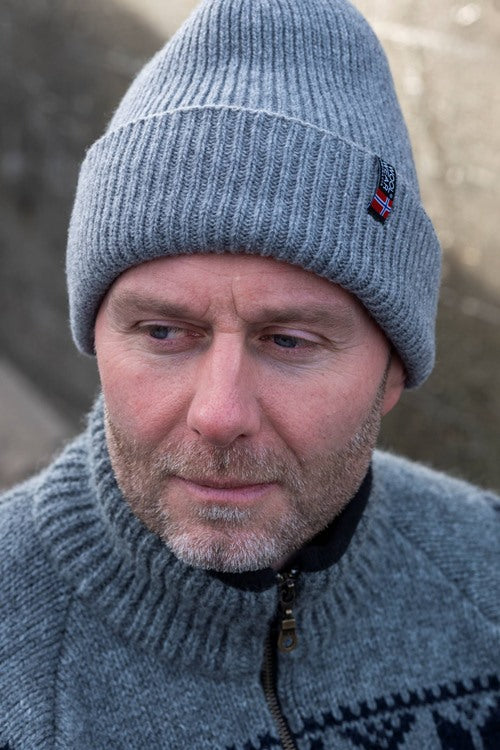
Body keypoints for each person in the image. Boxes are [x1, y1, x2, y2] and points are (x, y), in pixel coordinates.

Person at [1, 0, 498, 747]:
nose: (219, 414)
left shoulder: (487, 573)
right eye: (164, 332)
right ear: (97, 337)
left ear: (394, 371)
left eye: (289, 341)